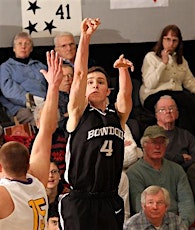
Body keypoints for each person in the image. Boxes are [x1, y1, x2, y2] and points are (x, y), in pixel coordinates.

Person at [58, 18, 134, 230]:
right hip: (80, 199)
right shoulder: (78, 112)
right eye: (90, 83)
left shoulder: (117, 116)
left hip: (109, 197)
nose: (94, 85)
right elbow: (80, 73)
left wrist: (122, 70)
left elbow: (126, 97)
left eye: (100, 82)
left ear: (108, 90)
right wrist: (85, 37)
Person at [0, 50, 63, 229]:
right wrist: (53, 87)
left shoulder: (4, 194)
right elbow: (46, 130)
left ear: (1, 167)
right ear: (28, 163)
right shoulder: (37, 180)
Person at [126, 125, 195, 227]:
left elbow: (187, 201)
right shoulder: (134, 172)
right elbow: (140, 207)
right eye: (153, 142)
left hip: (177, 223)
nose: (158, 147)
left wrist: (182, 224)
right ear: (144, 145)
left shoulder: (177, 170)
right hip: (149, 224)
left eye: (161, 143)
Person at [139, 24, 195, 135]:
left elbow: (189, 81)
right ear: (162, 39)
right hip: (154, 94)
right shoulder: (151, 57)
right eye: (168, 39)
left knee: (189, 104)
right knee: (177, 104)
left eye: (175, 41)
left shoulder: (181, 60)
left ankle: (188, 142)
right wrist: (163, 64)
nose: (171, 44)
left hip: (177, 94)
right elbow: (150, 84)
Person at [0, 32, 47, 126]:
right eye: (19, 43)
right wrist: (33, 102)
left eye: (27, 43)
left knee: (56, 115)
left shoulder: (40, 66)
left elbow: (50, 85)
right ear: (14, 48)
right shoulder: (6, 67)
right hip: (21, 107)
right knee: (38, 120)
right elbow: (9, 91)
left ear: (31, 49)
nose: (23, 46)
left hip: (44, 103)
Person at [155, 95, 195, 198]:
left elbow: (194, 157)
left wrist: (180, 167)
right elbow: (157, 157)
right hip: (162, 174)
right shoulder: (152, 134)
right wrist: (181, 158)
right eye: (163, 109)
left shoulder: (186, 135)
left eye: (171, 108)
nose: (168, 111)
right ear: (156, 115)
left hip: (186, 174)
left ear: (177, 113)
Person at [124, 185, 188, 230]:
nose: (155, 207)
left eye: (159, 203)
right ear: (143, 206)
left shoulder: (176, 221)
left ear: (166, 206)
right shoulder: (132, 225)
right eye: (150, 202)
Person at [58, 63, 74, 129]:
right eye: (63, 76)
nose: (67, 79)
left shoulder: (82, 95)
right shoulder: (52, 98)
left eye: (70, 75)